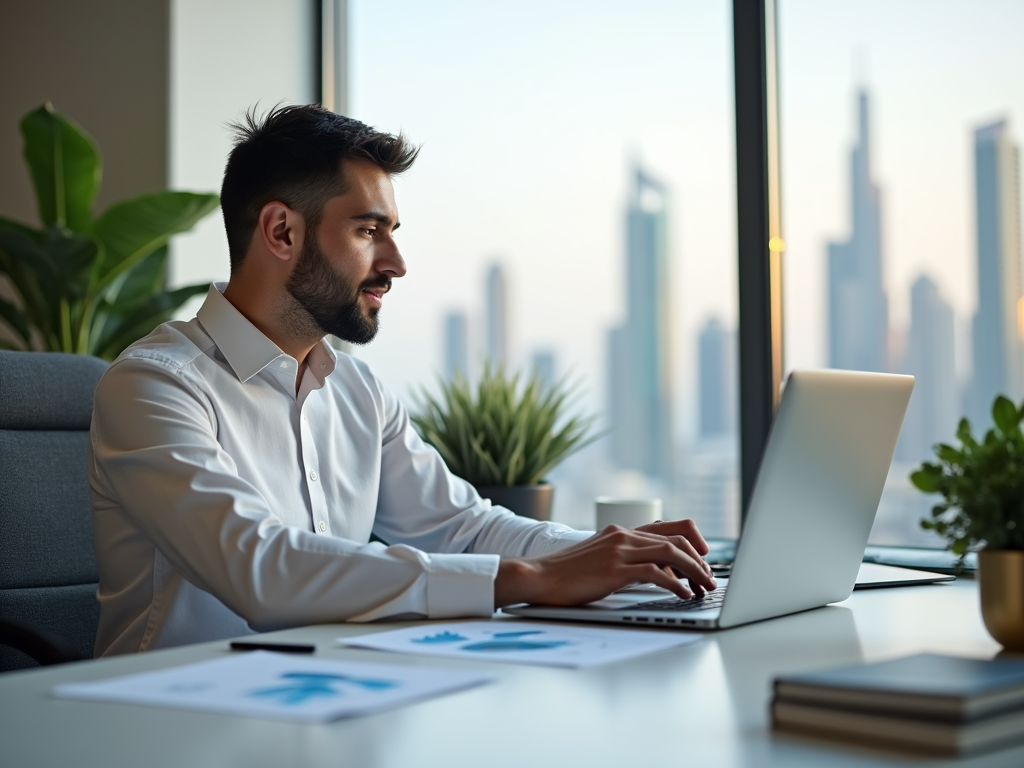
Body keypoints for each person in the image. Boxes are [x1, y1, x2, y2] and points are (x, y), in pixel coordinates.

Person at [88, 104, 717, 657]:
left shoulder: (358, 392)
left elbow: (463, 528)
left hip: (330, 700)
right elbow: (260, 567)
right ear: (282, 231)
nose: (395, 264)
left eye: (391, 233)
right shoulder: (155, 386)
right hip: (173, 723)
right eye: (368, 231)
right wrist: (529, 578)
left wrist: (618, 555)